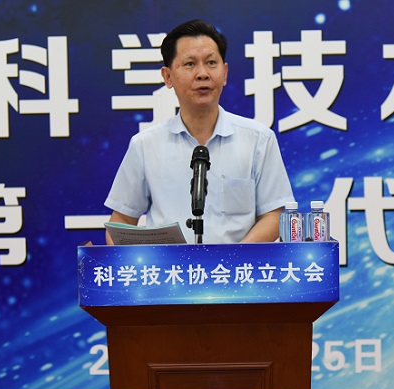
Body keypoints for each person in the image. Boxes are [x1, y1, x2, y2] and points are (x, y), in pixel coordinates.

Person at [104, 19, 294, 244]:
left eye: (211, 63)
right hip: (169, 267)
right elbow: (122, 220)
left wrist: (232, 258)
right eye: (190, 64)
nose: (202, 74)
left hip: (237, 266)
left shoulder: (258, 139)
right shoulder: (145, 145)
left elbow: (273, 214)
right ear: (167, 77)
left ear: (225, 73)